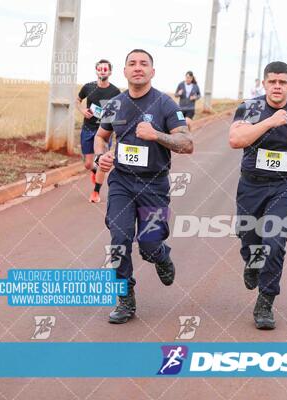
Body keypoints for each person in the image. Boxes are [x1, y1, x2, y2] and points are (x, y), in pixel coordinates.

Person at [94, 49, 193, 324]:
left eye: (144, 64)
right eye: (132, 64)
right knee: (119, 239)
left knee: (148, 247)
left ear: (152, 71)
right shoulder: (114, 103)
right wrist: (101, 156)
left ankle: (161, 256)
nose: (138, 68)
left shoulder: (165, 104)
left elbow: (187, 143)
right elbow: (101, 137)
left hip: (153, 185)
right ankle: (125, 298)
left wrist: (156, 134)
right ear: (124, 71)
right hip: (122, 183)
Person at [229, 61, 287, 330]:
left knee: (274, 240)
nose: (277, 86)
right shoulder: (250, 108)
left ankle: (266, 301)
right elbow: (236, 140)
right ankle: (252, 260)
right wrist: (270, 121)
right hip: (251, 186)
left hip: (285, 187)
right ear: (264, 83)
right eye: (272, 82)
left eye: (283, 82)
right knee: (250, 238)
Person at [76, 59, 121, 200]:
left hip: (104, 131)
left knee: (101, 160)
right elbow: (77, 100)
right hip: (88, 128)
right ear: (96, 71)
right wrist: (83, 111)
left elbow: (117, 111)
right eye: (100, 69)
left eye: (105, 69)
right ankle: (94, 171)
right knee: (89, 164)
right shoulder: (88, 87)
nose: (102, 71)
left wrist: (110, 119)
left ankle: (96, 192)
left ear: (110, 72)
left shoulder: (115, 91)